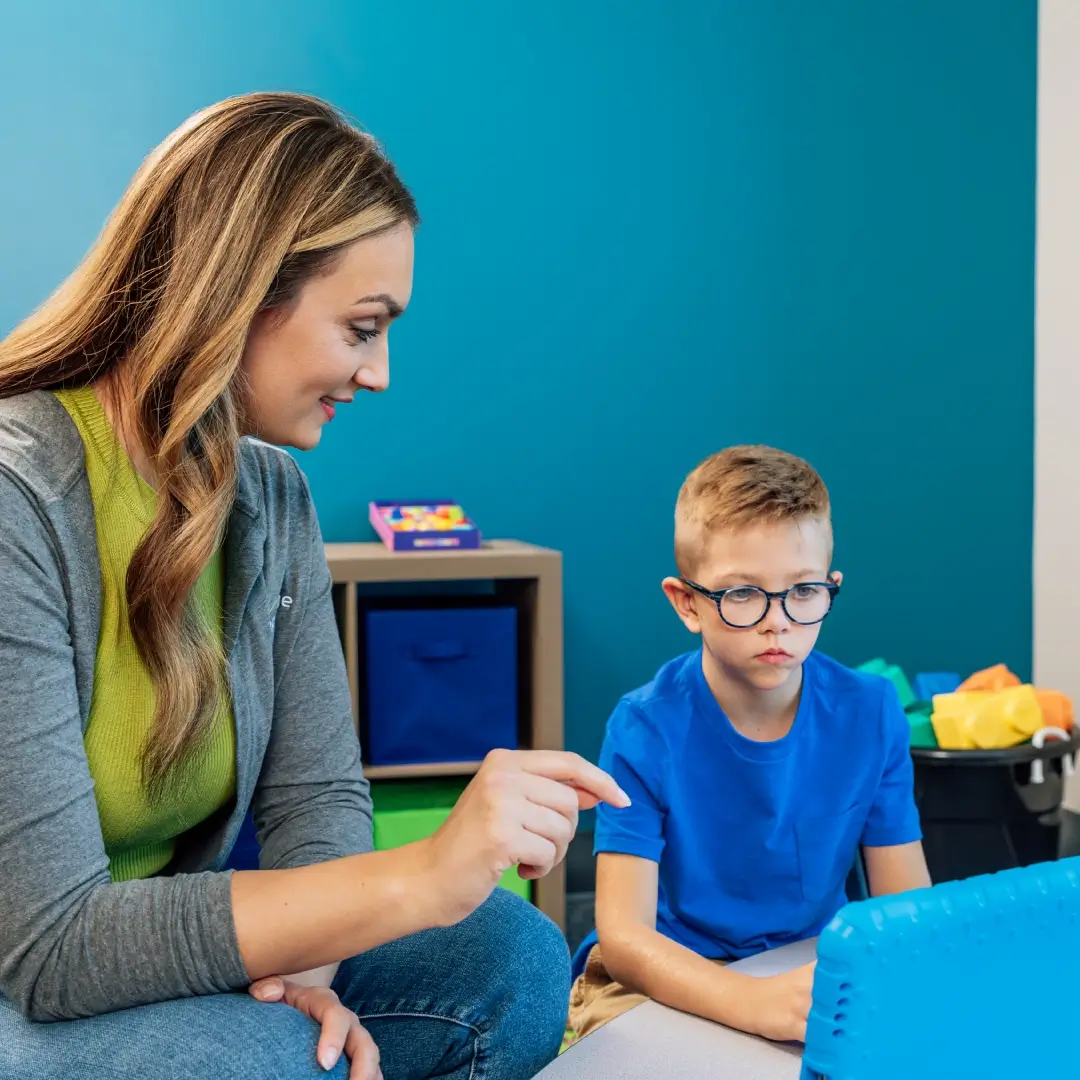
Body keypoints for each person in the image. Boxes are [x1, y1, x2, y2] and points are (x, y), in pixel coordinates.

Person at [0, 92, 628, 1080]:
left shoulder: (269, 495)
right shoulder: (15, 498)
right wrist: (417, 876)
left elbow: (317, 796)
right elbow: (52, 944)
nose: (378, 374)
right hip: (24, 981)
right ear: (238, 291)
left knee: (510, 956)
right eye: (363, 327)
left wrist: (316, 970)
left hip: (157, 968)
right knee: (273, 1055)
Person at [568, 445, 930, 1044]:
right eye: (742, 594)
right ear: (687, 603)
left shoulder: (871, 710)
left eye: (804, 591)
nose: (778, 621)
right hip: (663, 972)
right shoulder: (643, 726)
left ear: (829, 587)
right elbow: (625, 938)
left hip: (811, 962)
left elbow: (905, 910)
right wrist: (748, 1001)